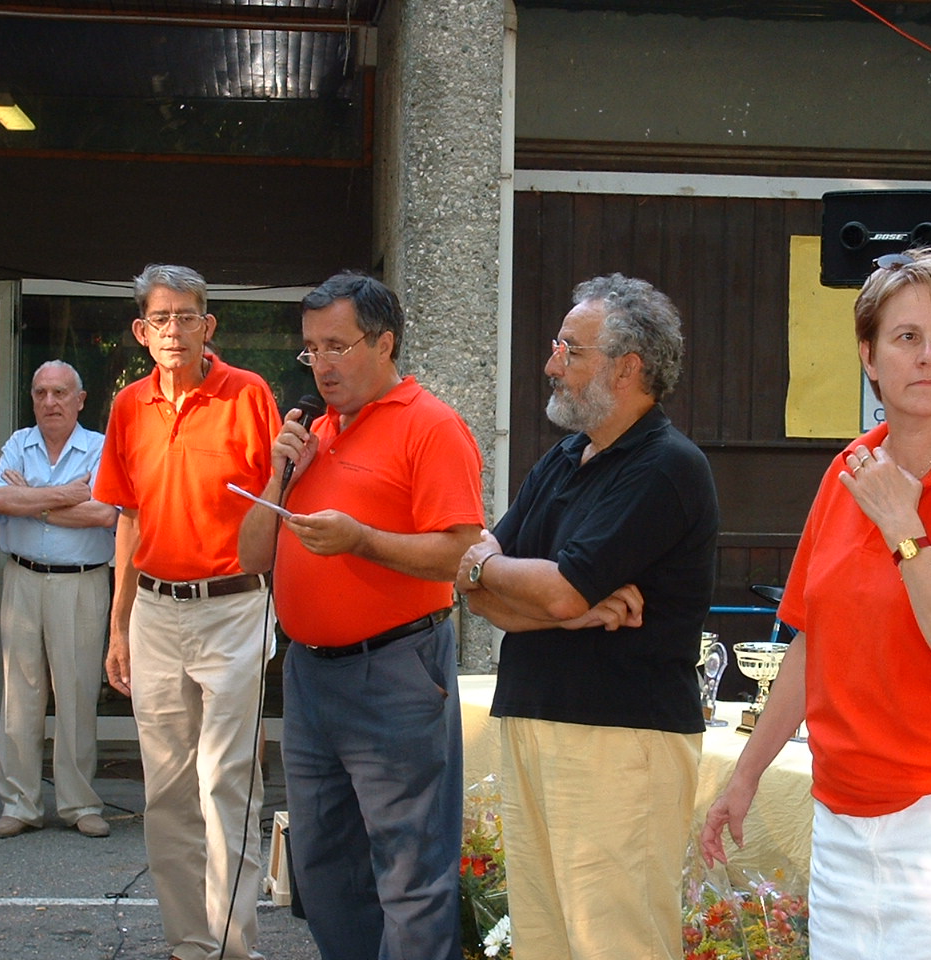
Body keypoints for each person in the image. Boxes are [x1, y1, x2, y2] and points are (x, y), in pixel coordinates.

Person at [701, 248, 931, 960]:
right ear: (869, 357)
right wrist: (743, 777)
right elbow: (812, 642)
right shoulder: (848, 470)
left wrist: (905, 528)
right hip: (846, 827)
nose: (928, 355)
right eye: (907, 337)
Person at [456, 273, 719, 960]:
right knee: (541, 942)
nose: (552, 365)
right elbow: (480, 589)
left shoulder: (666, 466)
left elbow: (550, 586)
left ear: (627, 368)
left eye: (570, 350)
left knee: (617, 944)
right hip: (534, 717)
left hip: (621, 737)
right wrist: (552, 606)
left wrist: (515, 578)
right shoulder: (565, 457)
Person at [237, 271, 484, 960]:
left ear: (384, 343)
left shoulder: (431, 425)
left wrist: (362, 540)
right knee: (324, 866)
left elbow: (462, 554)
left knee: (410, 870)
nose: (321, 364)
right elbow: (250, 554)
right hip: (311, 675)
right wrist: (278, 473)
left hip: (395, 671)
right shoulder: (312, 432)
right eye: (311, 349)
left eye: (337, 346)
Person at [94, 265, 281, 960]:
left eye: (187, 316)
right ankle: (189, 944)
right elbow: (129, 519)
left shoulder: (249, 395)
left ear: (209, 325)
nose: (174, 330)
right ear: (142, 331)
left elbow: (279, 506)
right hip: (153, 611)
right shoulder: (127, 406)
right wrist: (117, 626)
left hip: (234, 608)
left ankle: (232, 947)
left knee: (226, 782)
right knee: (168, 793)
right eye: (161, 318)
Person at [0, 360, 117, 840]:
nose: (49, 402)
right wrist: (65, 496)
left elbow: (104, 513)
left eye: (60, 393)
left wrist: (34, 501)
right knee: (19, 696)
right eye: (41, 393)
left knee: (77, 694)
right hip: (22, 578)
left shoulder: (101, 447)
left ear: (80, 400)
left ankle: (79, 803)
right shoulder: (18, 444)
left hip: (80, 583)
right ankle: (19, 804)